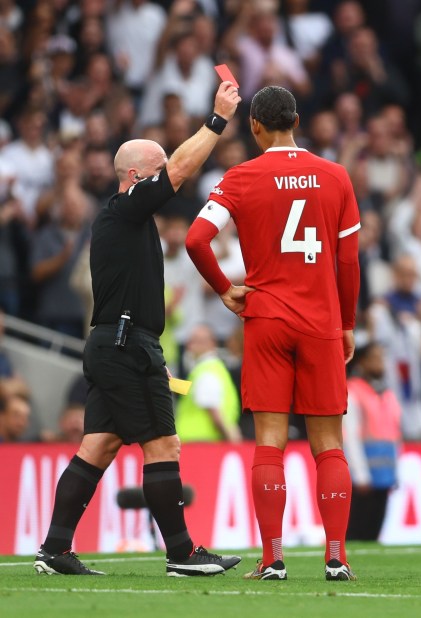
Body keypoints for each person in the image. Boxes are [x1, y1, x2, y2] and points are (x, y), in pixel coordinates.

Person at [34, 81, 243, 577]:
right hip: (129, 346)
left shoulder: (124, 220)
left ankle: (54, 548)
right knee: (164, 445)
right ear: (134, 176)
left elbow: (174, 173)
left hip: (112, 343)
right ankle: (182, 554)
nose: (168, 175)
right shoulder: (124, 208)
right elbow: (180, 171)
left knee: (99, 445)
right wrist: (216, 120)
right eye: (157, 168)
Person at [185, 86, 361, 583]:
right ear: (298, 121)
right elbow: (348, 262)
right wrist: (347, 323)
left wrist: (225, 290)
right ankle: (336, 556)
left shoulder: (240, 177)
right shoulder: (336, 177)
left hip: (266, 319)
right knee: (329, 444)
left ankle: (273, 558)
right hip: (322, 321)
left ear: (255, 126)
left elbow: (196, 239)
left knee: (270, 442)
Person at [343, 337, 402, 541]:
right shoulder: (353, 391)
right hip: (363, 477)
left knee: (375, 529)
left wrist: (395, 471)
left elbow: (394, 435)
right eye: (374, 358)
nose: (379, 363)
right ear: (362, 363)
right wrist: (360, 475)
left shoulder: (387, 393)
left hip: (384, 474)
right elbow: (350, 437)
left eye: (381, 358)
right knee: (358, 529)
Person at [175, 323, 241, 443]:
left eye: (199, 341)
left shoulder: (207, 371)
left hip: (199, 443)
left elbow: (215, 414)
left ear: (212, 343)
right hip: (198, 442)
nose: (192, 345)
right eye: (192, 340)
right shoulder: (208, 369)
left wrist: (234, 441)